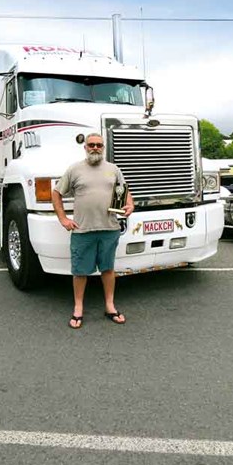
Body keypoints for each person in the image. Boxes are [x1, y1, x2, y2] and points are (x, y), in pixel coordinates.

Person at [52, 133, 134, 329]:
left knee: (108, 269)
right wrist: (63, 218)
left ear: (103, 147)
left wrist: (130, 204)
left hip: (109, 229)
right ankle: (78, 308)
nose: (95, 148)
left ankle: (110, 306)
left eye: (99, 145)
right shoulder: (74, 169)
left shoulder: (113, 169)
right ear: (85, 147)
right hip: (82, 230)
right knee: (80, 272)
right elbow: (56, 193)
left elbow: (124, 190)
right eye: (91, 145)